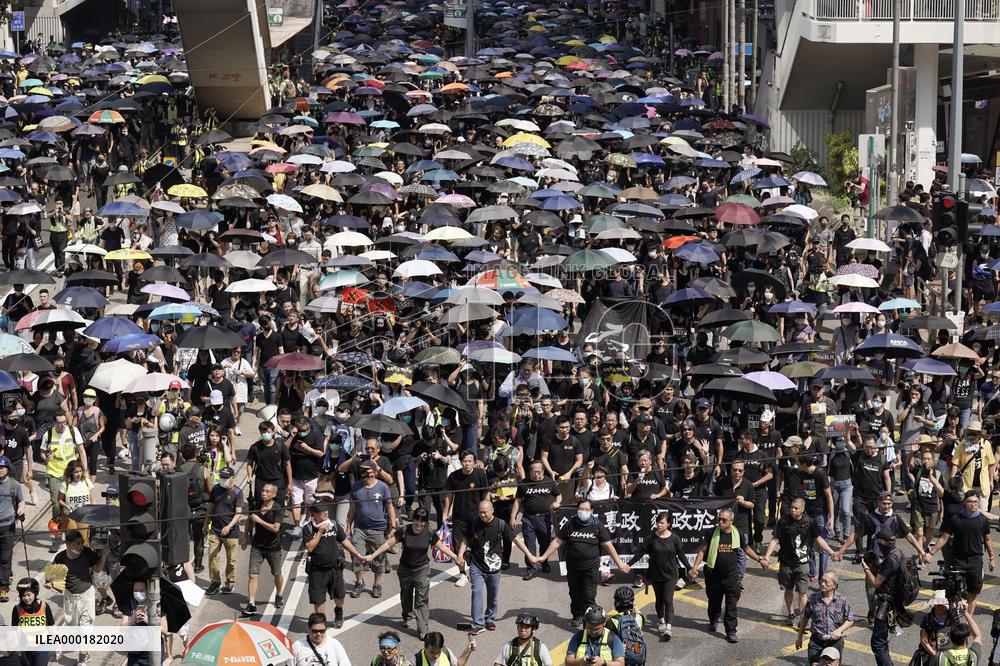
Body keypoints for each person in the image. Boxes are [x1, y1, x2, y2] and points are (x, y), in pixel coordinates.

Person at [533, 499, 632, 627]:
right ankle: (576, 615)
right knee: (574, 593)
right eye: (581, 509)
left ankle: (589, 622)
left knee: (588, 596)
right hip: (573, 566)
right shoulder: (571, 524)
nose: (583, 512)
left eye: (586, 509)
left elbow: (608, 544)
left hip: (590, 568)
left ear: (591, 511)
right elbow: (557, 541)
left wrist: (619, 564)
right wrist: (543, 557)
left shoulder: (597, 525)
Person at [363, 506, 458, 639]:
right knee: (406, 595)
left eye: (422, 521)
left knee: (422, 600)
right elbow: (388, 544)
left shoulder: (429, 532)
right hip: (405, 570)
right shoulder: (405, 530)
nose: (419, 524)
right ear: (413, 519)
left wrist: (455, 557)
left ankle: (423, 629)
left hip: (422, 570)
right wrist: (372, 556)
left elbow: (441, 546)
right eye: (417, 520)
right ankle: (407, 616)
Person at [688, 508, 766, 643]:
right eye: (719, 519)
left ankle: (731, 631)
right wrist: (694, 567)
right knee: (714, 602)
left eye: (724, 520)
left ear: (731, 521)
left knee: (731, 605)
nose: (720, 522)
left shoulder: (737, 533)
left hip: (731, 576)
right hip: (713, 575)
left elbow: (746, 549)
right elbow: (702, 551)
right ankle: (713, 620)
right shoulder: (712, 533)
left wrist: (760, 560)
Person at [456, 500, 533, 634]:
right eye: (480, 512)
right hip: (476, 565)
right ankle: (478, 624)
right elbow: (466, 539)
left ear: (492, 511)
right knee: (476, 592)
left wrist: (529, 555)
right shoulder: (474, 522)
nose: (482, 515)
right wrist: (460, 554)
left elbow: (515, 540)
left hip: (494, 567)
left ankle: (489, 619)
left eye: (485, 512)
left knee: (493, 594)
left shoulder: (500, 524)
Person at [761, 498, 840, 626]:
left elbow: (819, 539)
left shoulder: (810, 522)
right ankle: (791, 614)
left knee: (802, 592)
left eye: (796, 508)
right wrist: (767, 556)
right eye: (792, 507)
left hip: (802, 563)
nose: (792, 510)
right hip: (786, 563)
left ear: (803, 509)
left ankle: (803, 618)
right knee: (788, 589)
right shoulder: (784, 521)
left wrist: (832, 552)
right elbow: (775, 539)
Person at [923, 490, 994, 615]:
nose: (973, 504)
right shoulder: (956, 519)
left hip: (975, 560)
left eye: (975, 502)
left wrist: (992, 557)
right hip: (958, 560)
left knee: (973, 592)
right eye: (970, 502)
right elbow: (944, 538)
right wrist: (930, 553)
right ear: (964, 503)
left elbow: (987, 540)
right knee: (954, 590)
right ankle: (955, 614)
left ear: (978, 503)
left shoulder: (983, 520)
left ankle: (968, 619)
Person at [47, 529, 109, 666]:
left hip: (87, 595)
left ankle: (82, 658)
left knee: (85, 628)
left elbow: (97, 570)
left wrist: (104, 556)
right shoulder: (60, 557)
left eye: (81, 543)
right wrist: (50, 583)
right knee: (71, 625)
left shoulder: (87, 553)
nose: (81, 546)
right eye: (77, 543)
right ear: (68, 545)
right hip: (70, 597)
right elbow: (51, 577)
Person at [303, 502, 364, 628]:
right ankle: (321, 623)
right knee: (318, 600)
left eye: (326, 510)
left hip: (335, 568)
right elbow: (310, 547)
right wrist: (319, 532)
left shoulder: (334, 525)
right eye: (321, 511)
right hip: (317, 571)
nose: (325, 513)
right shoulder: (308, 528)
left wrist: (357, 554)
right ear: (314, 514)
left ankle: (338, 611)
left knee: (339, 596)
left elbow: (344, 541)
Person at [625, 511, 685, 640]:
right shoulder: (651, 538)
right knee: (659, 600)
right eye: (657, 522)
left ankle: (668, 628)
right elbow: (639, 553)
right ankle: (661, 620)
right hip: (655, 574)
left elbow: (681, 555)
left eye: (662, 523)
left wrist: (691, 569)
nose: (659, 525)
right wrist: (629, 564)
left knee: (668, 600)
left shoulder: (675, 538)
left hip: (670, 574)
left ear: (668, 524)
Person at [347, 460, 397, 600]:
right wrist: (348, 526)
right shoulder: (356, 487)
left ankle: (377, 585)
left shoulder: (383, 487)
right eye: (362, 471)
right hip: (360, 528)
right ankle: (359, 582)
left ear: (375, 473)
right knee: (357, 556)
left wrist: (393, 526)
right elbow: (353, 508)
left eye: (367, 471)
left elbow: (389, 507)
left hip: (378, 529)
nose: (364, 474)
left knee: (379, 558)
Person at [240, 482, 284, 617]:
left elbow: (276, 528)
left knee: (276, 573)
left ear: (274, 494)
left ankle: (279, 594)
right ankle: (252, 603)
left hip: (273, 547)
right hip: (257, 546)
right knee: (252, 575)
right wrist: (245, 537)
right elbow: (249, 520)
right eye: (263, 491)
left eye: (267, 491)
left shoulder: (277, 509)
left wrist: (259, 521)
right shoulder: (256, 505)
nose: (264, 493)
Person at [862, 525, 904, 666]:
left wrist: (866, 568)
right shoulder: (898, 553)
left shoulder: (890, 560)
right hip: (894, 602)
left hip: (885, 605)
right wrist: (877, 562)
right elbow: (890, 570)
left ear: (884, 542)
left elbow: (875, 583)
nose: (878, 545)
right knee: (882, 640)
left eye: (879, 542)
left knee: (878, 643)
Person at [512, 460, 559, 580]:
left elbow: (558, 494)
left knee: (545, 543)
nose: (536, 474)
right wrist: (513, 516)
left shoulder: (549, 482)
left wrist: (557, 502)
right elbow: (517, 501)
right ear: (529, 472)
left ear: (543, 471)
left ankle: (544, 562)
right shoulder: (523, 483)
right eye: (533, 472)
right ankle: (531, 569)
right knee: (529, 544)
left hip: (544, 518)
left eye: (539, 472)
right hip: (528, 518)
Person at [795, 571, 854, 663]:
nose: (822, 584)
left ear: (835, 585)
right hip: (816, 641)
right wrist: (799, 637)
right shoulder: (813, 598)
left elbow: (850, 620)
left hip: (834, 642)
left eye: (826, 582)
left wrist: (839, 630)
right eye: (821, 581)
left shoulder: (842, 600)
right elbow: (805, 618)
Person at [204, 466, 244, 595]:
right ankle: (215, 582)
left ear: (232, 478)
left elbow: (238, 513)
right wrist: (206, 523)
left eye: (226, 478)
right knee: (212, 557)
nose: (223, 480)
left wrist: (229, 526)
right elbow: (210, 506)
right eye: (222, 477)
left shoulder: (238, 492)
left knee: (231, 560)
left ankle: (229, 582)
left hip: (231, 533)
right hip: (215, 530)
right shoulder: (216, 489)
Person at [11, 577, 54, 666]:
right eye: (23, 595)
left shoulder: (45, 607)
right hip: (25, 649)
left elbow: (51, 627)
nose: (26, 598)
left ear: (35, 593)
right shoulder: (17, 609)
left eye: (28, 595)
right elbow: (14, 630)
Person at [0, 457, 24, 603]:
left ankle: (3, 588)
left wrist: (21, 509)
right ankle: (5, 574)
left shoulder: (14, 485)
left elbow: (21, 501)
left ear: (8, 469)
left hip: (8, 526)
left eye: (2, 467)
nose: (0, 470)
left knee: (5, 557)